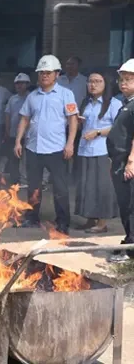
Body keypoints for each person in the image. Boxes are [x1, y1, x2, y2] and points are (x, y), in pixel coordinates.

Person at [14, 55, 78, 234]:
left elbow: (73, 120)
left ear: (57, 74)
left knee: (61, 188)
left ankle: (63, 222)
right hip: (33, 148)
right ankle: (32, 217)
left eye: (48, 73)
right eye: (41, 73)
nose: (44, 76)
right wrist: (18, 141)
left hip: (57, 149)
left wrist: (70, 144)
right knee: (33, 186)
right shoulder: (32, 96)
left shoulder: (66, 94)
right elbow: (24, 119)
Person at [74, 73, 121, 233]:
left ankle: (102, 223)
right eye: (90, 81)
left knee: (102, 186)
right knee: (87, 185)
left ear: (105, 84)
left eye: (97, 81)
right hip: (84, 149)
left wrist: (98, 132)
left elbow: (118, 127)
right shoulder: (85, 103)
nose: (93, 85)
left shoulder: (114, 104)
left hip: (102, 150)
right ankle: (90, 219)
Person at [107, 59, 134, 263]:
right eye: (121, 79)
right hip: (119, 160)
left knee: (131, 205)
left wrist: (132, 161)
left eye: (128, 79)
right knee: (124, 204)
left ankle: (132, 248)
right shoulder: (126, 103)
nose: (123, 83)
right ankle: (129, 240)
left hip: (129, 162)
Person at [4, 73, 31, 187]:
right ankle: (15, 180)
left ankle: (24, 180)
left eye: (22, 83)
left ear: (27, 84)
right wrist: (7, 130)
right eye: (17, 84)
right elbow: (7, 115)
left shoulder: (31, 97)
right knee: (14, 158)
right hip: (13, 133)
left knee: (25, 159)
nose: (19, 86)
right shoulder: (12, 99)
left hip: (28, 134)